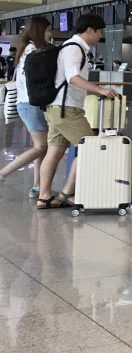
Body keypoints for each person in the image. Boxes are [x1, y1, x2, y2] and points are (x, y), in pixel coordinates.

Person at [36, 13, 118, 210]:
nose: (100, 36)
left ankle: (44, 196)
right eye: (99, 32)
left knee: (54, 151)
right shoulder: (74, 48)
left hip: (57, 108)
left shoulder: (71, 47)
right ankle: (66, 193)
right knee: (90, 149)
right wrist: (99, 89)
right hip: (67, 110)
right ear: (90, 30)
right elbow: (73, 77)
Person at [0, 17, 52, 198]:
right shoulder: (33, 51)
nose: (50, 34)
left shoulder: (26, 49)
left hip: (26, 103)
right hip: (31, 104)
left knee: (40, 147)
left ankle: (37, 186)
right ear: (39, 31)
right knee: (41, 147)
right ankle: (2, 173)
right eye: (47, 30)